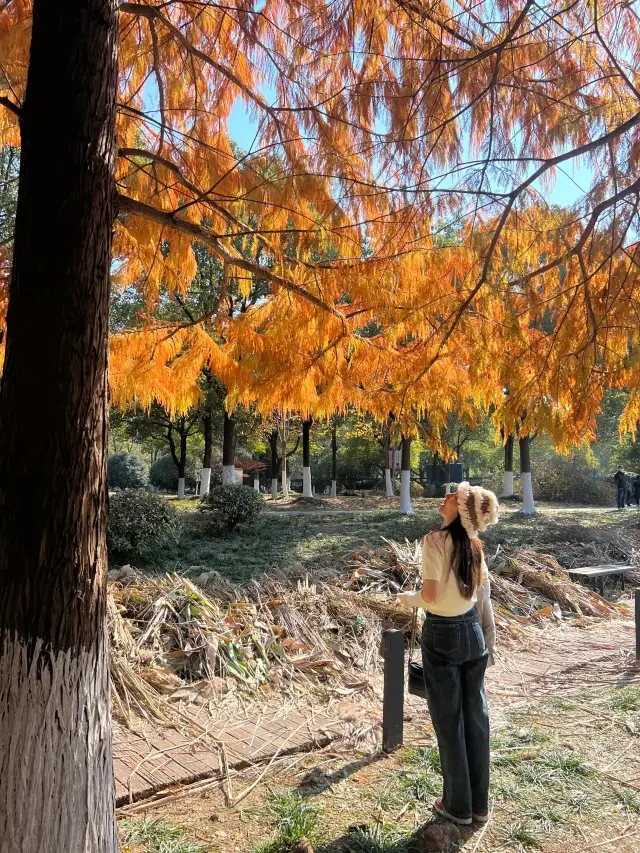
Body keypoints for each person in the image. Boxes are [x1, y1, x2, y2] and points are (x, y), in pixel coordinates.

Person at [397, 482, 499, 826]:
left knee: (448, 720)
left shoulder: (434, 542)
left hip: (443, 633)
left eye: (452, 497)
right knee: (476, 717)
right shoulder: (474, 545)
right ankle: (479, 805)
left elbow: (430, 596)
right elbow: (473, 593)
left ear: (461, 510)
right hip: (472, 633)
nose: (445, 498)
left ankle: (457, 806)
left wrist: (405, 599)